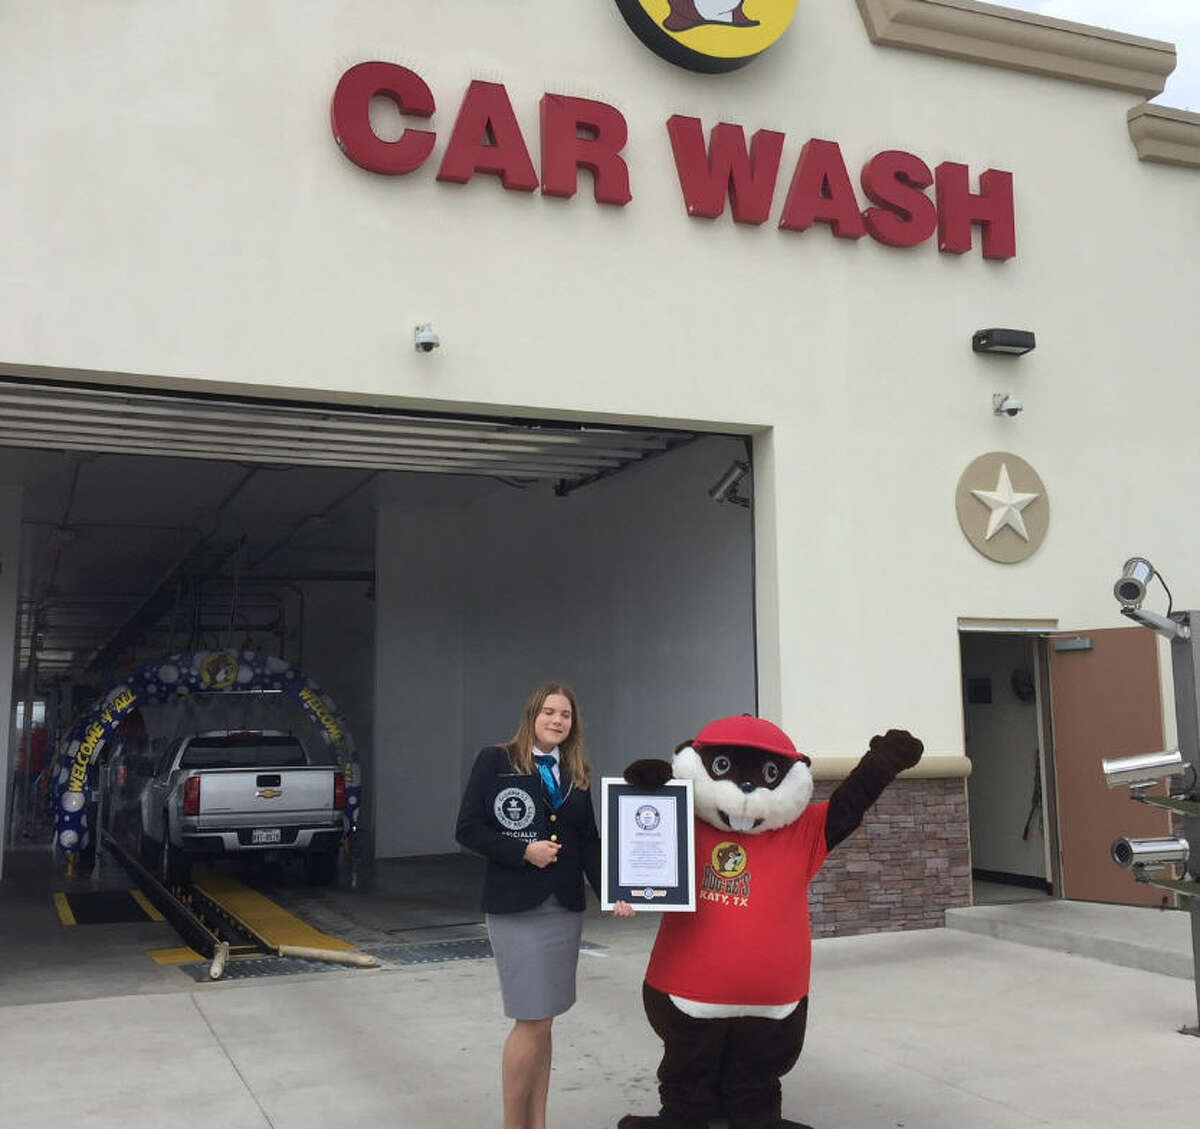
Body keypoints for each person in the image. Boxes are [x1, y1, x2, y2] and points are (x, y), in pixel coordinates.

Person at [456, 682, 634, 1129]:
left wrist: (613, 891)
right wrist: (522, 852)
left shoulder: (576, 772)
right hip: (516, 908)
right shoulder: (495, 761)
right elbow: (468, 829)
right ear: (532, 715)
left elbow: (588, 840)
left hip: (564, 908)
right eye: (549, 712)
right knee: (530, 1019)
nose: (557, 721)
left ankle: (538, 1121)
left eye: (566, 715)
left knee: (546, 1021)